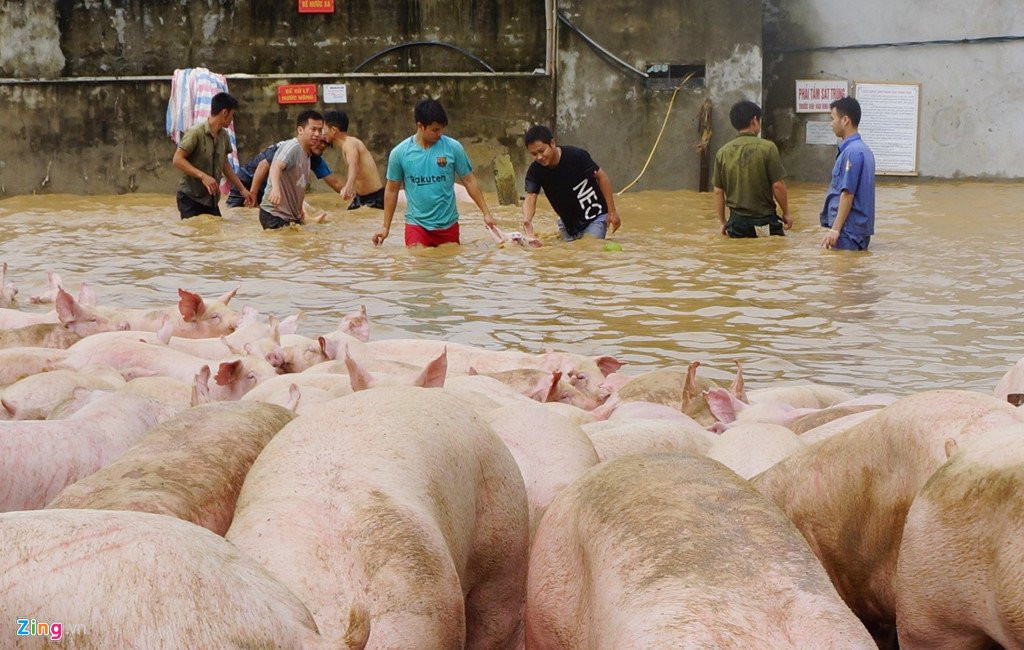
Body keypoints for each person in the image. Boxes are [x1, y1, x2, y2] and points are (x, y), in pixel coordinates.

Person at [372, 99, 496, 247]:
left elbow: (469, 180)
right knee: (419, 264)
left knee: (448, 266)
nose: (440, 134)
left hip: (448, 226)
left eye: (441, 129)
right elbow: (391, 190)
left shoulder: (453, 147)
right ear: (420, 126)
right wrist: (386, 227)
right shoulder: (399, 153)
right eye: (435, 130)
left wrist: (486, 213)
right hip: (416, 226)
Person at [521, 125, 621, 242]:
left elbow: (601, 176)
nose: (539, 157)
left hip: (595, 219)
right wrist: (527, 220)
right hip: (568, 226)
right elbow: (530, 197)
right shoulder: (535, 171)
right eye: (534, 154)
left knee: (590, 248)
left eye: (542, 151)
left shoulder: (577, 156)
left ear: (552, 143)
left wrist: (612, 211)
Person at [712, 100, 791, 238]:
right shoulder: (768, 148)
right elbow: (778, 185)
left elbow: (718, 191)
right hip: (763, 221)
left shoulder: (722, 152)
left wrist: (722, 222)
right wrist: (786, 213)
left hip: (736, 223)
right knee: (769, 255)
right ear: (754, 120)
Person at [172, 92, 250, 219]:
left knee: (215, 235)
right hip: (189, 198)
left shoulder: (224, 135)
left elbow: (224, 164)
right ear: (225, 113)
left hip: (211, 199)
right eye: (232, 115)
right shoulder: (196, 132)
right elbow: (177, 159)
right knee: (194, 235)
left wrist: (242, 190)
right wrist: (203, 176)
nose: (231, 120)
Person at [820, 96, 876, 250]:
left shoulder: (851, 152)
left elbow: (847, 194)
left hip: (847, 231)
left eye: (833, 118)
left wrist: (835, 229)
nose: (831, 124)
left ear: (845, 120)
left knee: (841, 273)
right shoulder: (865, 150)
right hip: (858, 230)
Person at [225, 135, 341, 207]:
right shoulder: (290, 148)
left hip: (267, 192)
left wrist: (354, 197)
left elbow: (333, 182)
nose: (322, 146)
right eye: (319, 141)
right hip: (247, 183)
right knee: (236, 217)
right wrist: (253, 194)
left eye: (326, 144)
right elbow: (263, 166)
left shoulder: (315, 158)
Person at [258, 110, 324, 230]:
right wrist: (276, 189)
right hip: (274, 214)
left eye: (320, 130)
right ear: (300, 130)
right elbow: (275, 166)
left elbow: (299, 187)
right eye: (313, 129)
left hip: (290, 216)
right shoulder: (292, 147)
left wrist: (300, 212)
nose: (317, 134)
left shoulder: (307, 155)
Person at [322, 110, 386, 210]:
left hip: (375, 197)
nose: (322, 133)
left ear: (333, 130)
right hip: (360, 198)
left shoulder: (349, 143)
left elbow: (353, 165)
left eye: (324, 129)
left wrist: (348, 186)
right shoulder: (346, 145)